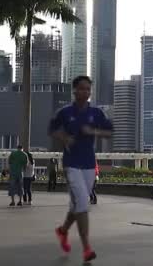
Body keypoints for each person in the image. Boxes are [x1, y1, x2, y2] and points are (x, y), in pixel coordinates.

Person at [49, 76, 113, 263]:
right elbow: (52, 130)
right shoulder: (65, 112)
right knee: (83, 203)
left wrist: (93, 132)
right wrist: (64, 138)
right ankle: (86, 248)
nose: (85, 92)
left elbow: (109, 132)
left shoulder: (97, 113)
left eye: (88, 89)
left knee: (77, 205)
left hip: (88, 164)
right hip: (71, 163)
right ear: (75, 90)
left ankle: (63, 230)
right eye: (82, 89)